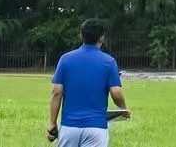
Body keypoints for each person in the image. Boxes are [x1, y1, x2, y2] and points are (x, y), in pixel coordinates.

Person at [48, 18, 129, 146]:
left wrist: (52, 123)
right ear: (101, 38)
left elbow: (57, 93)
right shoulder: (109, 62)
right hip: (96, 128)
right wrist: (124, 109)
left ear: (81, 35)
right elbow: (116, 93)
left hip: (69, 127)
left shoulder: (65, 59)